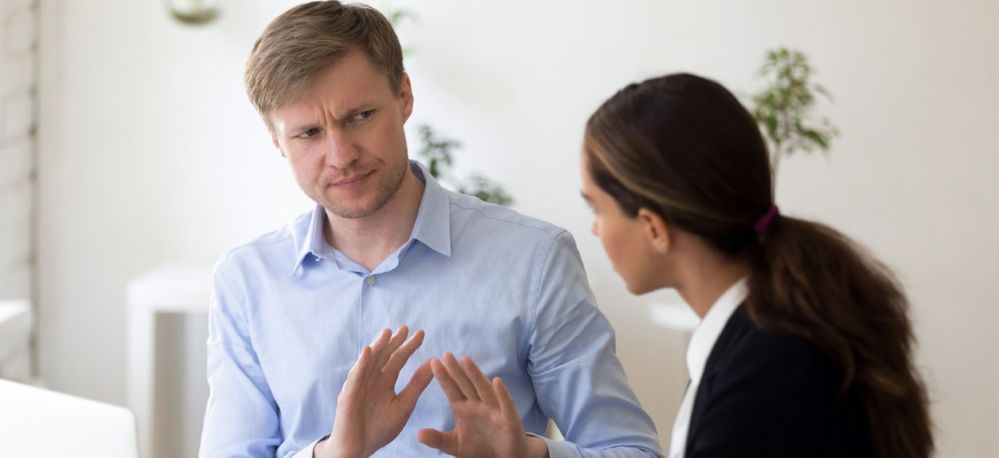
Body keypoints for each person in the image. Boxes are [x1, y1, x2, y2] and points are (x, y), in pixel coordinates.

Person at [198, 2, 663, 457]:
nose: (341, 156)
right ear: (277, 141)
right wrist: (332, 454)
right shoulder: (246, 281)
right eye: (308, 134)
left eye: (359, 116)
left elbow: (632, 450)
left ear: (404, 96)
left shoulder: (533, 261)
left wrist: (528, 456)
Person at [430, 73, 934, 458]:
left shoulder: (768, 375)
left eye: (597, 208)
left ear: (652, 226)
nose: (595, 230)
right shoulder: (769, 336)